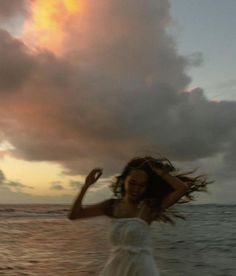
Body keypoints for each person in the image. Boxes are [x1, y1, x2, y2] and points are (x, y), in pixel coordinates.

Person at [68, 156, 210, 275]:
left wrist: (162, 174)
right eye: (132, 183)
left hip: (141, 269)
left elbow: (182, 188)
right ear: (124, 181)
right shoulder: (111, 206)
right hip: (116, 269)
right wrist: (86, 186)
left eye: (141, 185)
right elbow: (74, 215)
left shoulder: (149, 208)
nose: (136, 189)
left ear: (146, 187)